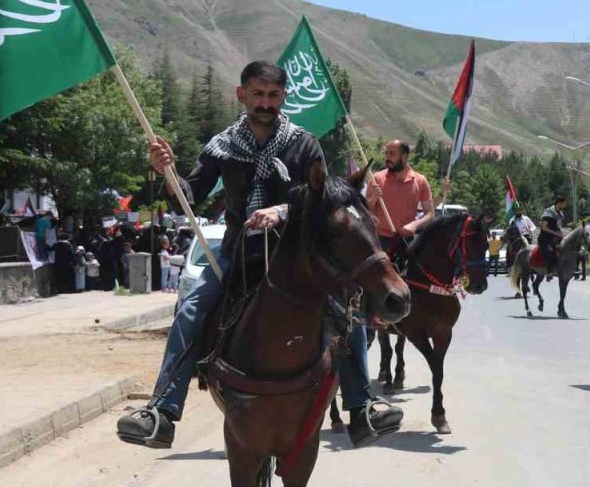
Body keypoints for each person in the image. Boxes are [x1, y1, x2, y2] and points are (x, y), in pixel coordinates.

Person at [117, 61, 402, 450]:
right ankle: (162, 412)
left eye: (272, 95)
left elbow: (322, 201)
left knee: (347, 309)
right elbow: (192, 192)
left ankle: (362, 407)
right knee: (190, 309)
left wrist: (281, 211)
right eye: (257, 94)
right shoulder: (222, 146)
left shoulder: (304, 143)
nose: (265, 103)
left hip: (295, 257)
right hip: (238, 254)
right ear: (242, 95)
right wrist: (166, 171)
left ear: (283, 97)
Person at [367, 139, 445, 262]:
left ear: (404, 156)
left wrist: (414, 225)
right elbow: (367, 211)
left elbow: (430, 214)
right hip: (379, 242)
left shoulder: (421, 181)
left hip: (406, 241)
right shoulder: (376, 178)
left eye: (392, 154)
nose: (387, 157)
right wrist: (373, 198)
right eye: (386, 153)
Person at [537, 196, 568, 280]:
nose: (565, 206)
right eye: (564, 204)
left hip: (556, 237)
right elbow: (544, 227)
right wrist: (555, 233)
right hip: (545, 238)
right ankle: (549, 271)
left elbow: (558, 226)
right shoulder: (548, 212)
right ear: (559, 203)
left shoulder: (560, 214)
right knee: (550, 251)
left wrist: (563, 233)